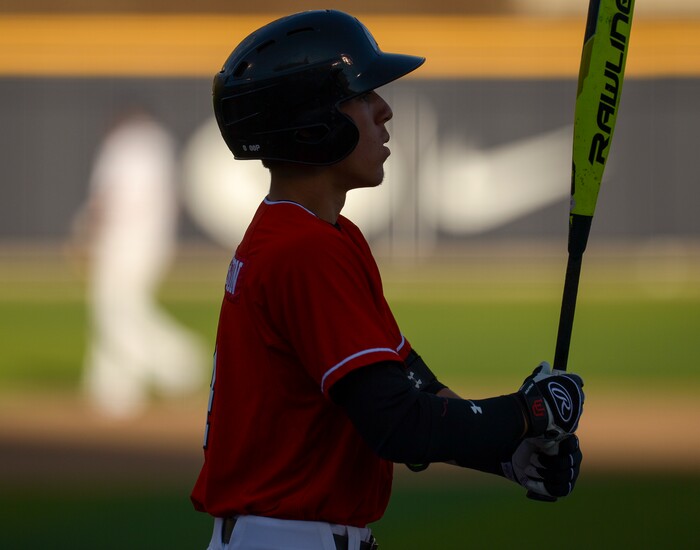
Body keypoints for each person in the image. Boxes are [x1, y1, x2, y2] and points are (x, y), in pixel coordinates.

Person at [191, 10, 585, 550]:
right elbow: (398, 424)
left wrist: (506, 455)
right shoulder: (302, 250)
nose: (385, 110)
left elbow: (409, 382)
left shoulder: (323, 236)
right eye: (363, 94)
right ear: (314, 125)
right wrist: (530, 411)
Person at [73, 107, 206, 418]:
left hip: (120, 239)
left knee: (116, 310)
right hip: (153, 241)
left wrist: (84, 234)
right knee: (125, 308)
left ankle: (179, 367)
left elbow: (108, 196)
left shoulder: (122, 145)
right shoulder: (159, 144)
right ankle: (112, 386)